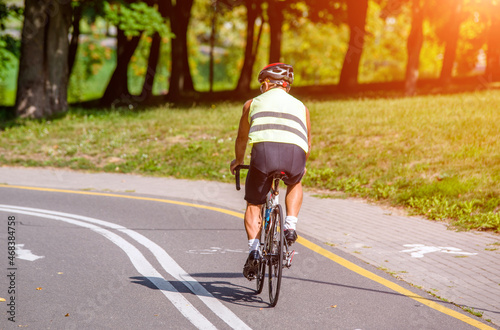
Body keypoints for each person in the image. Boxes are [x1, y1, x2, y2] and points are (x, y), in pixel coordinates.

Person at [230, 63, 311, 280]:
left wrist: (238, 160)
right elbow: (307, 143)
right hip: (295, 153)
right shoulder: (302, 107)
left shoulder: (251, 104)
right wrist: (298, 167)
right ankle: (290, 225)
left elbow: (242, 138)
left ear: (266, 83)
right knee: (294, 182)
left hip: (264, 154)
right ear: (286, 86)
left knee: (254, 203)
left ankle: (254, 249)